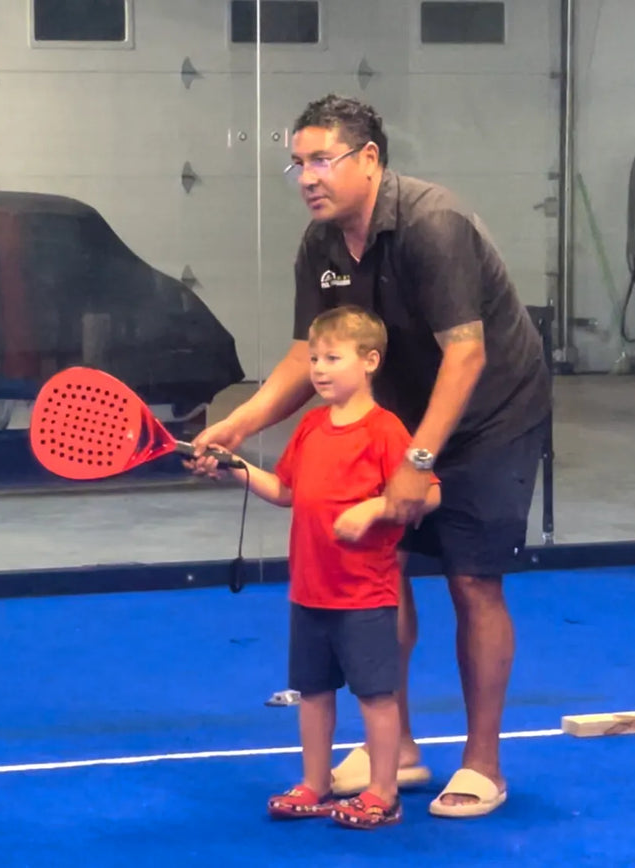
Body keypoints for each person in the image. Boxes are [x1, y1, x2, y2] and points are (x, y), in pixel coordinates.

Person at [193, 94, 552, 819]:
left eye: (322, 159)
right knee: (381, 569)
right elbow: (306, 355)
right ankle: (404, 754)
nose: (307, 177)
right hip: (400, 418)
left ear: (370, 160)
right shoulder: (319, 245)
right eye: (297, 163)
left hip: (491, 415)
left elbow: (468, 353)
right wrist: (241, 423)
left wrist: (417, 461)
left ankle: (483, 765)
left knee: (472, 581)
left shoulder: (433, 225)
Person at [193, 305, 440, 830]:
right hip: (309, 592)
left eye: (332, 357)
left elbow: (430, 493)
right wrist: (235, 469)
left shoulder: (386, 431)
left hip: (366, 597)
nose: (319, 369)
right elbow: (285, 491)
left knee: (377, 696)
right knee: (313, 692)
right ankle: (316, 782)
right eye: (313, 359)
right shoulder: (309, 428)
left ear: (370, 361)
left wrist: (374, 508)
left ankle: (383, 790)